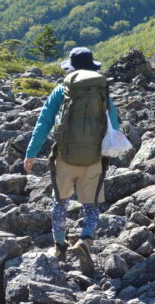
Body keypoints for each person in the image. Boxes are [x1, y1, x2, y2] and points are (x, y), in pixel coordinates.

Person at [24, 47, 120, 273]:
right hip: (94, 157)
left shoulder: (61, 91)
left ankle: (59, 245)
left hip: (65, 156)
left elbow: (44, 122)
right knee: (91, 203)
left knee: (60, 202)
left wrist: (31, 153)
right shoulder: (102, 92)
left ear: (72, 68)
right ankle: (85, 240)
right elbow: (114, 125)